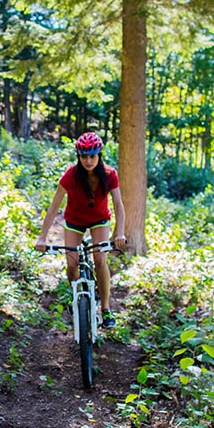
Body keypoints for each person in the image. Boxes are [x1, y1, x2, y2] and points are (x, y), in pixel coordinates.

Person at [34, 132, 127, 327]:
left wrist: (119, 233)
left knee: (100, 259)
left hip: (99, 220)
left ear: (99, 155)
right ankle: (76, 295)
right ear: (78, 156)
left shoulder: (110, 175)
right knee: (72, 263)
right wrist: (42, 238)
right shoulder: (71, 176)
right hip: (74, 221)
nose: (88, 160)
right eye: (84, 156)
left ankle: (106, 309)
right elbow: (53, 208)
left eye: (92, 156)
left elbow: (118, 205)